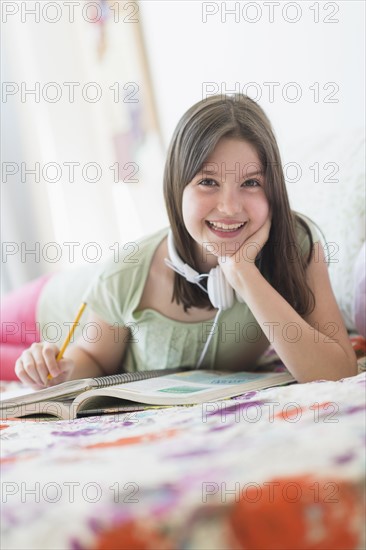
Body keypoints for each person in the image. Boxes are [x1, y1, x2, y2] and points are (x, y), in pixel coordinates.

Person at [4, 94, 358, 387]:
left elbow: (336, 371)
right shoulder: (128, 272)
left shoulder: (298, 246)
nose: (230, 207)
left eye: (251, 183)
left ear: (273, 190)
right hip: (49, 306)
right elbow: (95, 357)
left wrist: (244, 275)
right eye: (208, 182)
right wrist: (53, 368)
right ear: (177, 189)